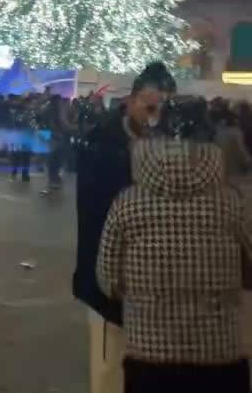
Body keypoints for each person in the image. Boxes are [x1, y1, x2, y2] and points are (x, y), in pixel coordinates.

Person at [97, 96, 252, 393]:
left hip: (149, 358)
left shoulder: (128, 203)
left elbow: (108, 280)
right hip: (220, 354)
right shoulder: (232, 202)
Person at [73, 60, 177, 393]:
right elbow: (96, 210)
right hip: (109, 279)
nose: (153, 115)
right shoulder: (102, 142)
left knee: (140, 371)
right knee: (109, 368)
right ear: (131, 101)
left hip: (151, 281)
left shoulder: (164, 143)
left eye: (160, 107)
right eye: (149, 106)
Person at [210, 99, 252, 180]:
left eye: (236, 109)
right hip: (239, 169)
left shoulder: (232, 129)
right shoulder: (238, 128)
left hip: (230, 170)